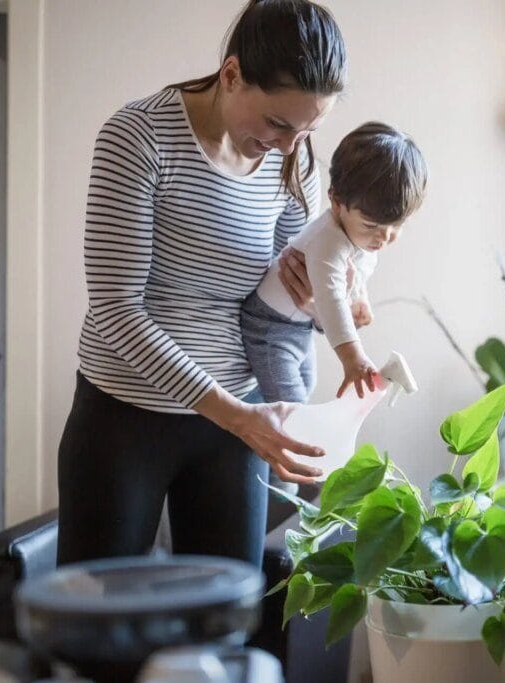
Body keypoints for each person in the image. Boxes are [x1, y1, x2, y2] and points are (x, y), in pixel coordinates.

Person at [56, 0, 348, 570]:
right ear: (233, 74)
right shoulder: (138, 137)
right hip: (124, 418)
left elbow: (280, 296)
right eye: (277, 123)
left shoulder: (294, 159)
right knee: (100, 632)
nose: (290, 145)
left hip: (237, 422)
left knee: (223, 625)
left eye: (309, 129)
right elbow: (116, 311)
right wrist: (237, 415)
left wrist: (322, 305)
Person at [242, 122, 428, 406]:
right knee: (291, 409)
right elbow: (329, 297)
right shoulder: (328, 240)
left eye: (397, 225)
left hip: (298, 325)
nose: (385, 237)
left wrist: (359, 300)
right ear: (337, 202)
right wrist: (352, 357)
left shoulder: (362, 237)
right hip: (269, 328)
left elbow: (354, 277)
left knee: (306, 387)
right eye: (371, 225)